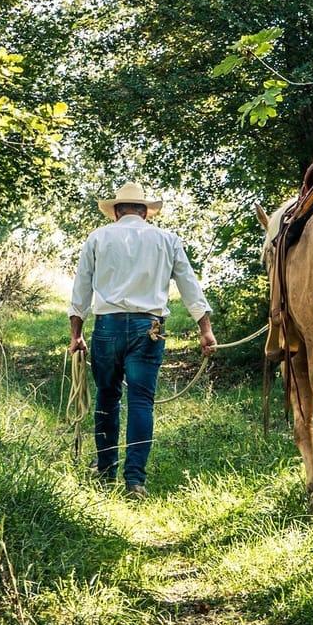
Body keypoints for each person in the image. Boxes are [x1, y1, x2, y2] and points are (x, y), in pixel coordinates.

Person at [67, 181, 217, 499]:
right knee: (141, 402)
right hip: (149, 328)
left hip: (107, 327)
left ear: (116, 212)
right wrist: (205, 329)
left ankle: (106, 471)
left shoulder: (98, 238)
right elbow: (189, 285)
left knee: (107, 397)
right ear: (145, 212)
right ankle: (134, 480)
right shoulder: (167, 239)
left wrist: (76, 335)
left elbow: (81, 288)